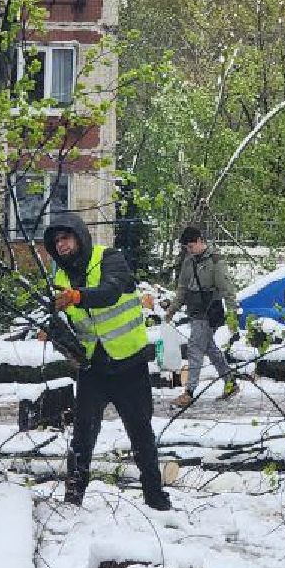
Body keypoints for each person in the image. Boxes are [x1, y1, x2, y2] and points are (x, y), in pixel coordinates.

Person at [44, 212, 171, 511]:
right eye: (56, 242)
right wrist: (51, 329)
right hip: (93, 368)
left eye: (66, 238)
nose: (62, 245)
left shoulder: (109, 258)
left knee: (140, 433)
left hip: (129, 364)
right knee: (83, 437)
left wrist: (77, 297)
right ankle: (72, 500)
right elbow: (63, 320)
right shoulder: (59, 278)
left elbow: (111, 292)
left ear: (80, 236)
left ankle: (155, 497)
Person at [171, 226, 241, 409]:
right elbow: (182, 289)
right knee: (209, 348)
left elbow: (228, 290)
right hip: (195, 310)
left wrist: (233, 315)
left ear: (201, 241)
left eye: (191, 246)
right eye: (187, 247)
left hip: (210, 312)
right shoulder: (189, 261)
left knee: (195, 348)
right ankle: (230, 381)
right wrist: (172, 310)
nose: (190, 250)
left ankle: (189, 392)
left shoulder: (216, 261)